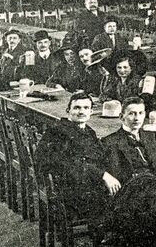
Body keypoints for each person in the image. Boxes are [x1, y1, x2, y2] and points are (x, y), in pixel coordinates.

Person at [34, 92, 118, 222]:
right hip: (71, 191)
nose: (81, 112)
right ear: (68, 111)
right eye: (77, 108)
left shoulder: (87, 130)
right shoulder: (59, 132)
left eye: (86, 108)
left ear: (91, 112)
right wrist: (103, 175)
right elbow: (68, 163)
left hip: (82, 182)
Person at [101, 96, 156, 184]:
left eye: (140, 113)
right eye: (132, 114)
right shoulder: (109, 142)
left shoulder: (153, 136)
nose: (137, 118)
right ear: (121, 117)